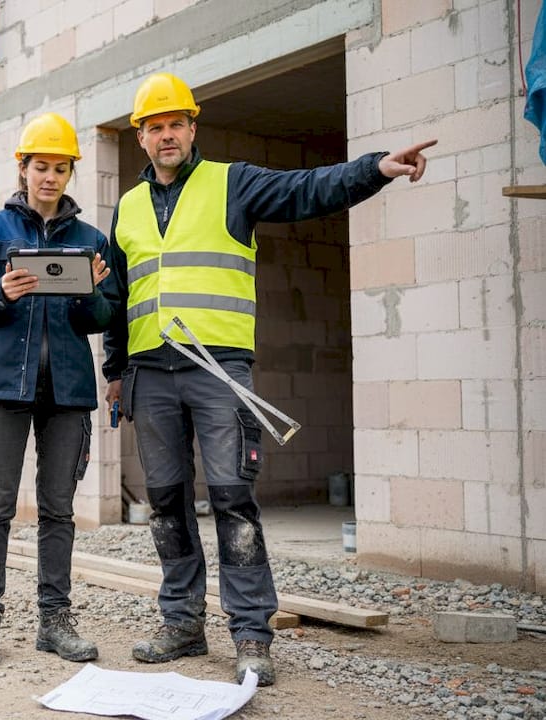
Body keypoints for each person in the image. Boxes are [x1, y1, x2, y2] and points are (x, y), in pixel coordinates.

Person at [102, 72, 435, 685]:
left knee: (233, 497)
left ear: (192, 128)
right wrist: (115, 370)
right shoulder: (125, 208)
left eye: (176, 123)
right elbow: (120, 294)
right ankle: (181, 623)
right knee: (167, 504)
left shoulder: (234, 183)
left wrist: (375, 169)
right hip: (150, 374)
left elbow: (309, 189)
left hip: (219, 371)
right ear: (142, 138)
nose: (166, 134)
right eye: (155, 127)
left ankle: (251, 632)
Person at [0, 112, 120, 667]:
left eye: (60, 167)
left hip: (67, 393)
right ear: (22, 168)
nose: (49, 176)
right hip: (1, 388)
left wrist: (91, 292)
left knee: (58, 510)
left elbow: (100, 318)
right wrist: (0, 291)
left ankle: (55, 622)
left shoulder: (92, 240)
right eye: (40, 166)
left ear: (71, 172)